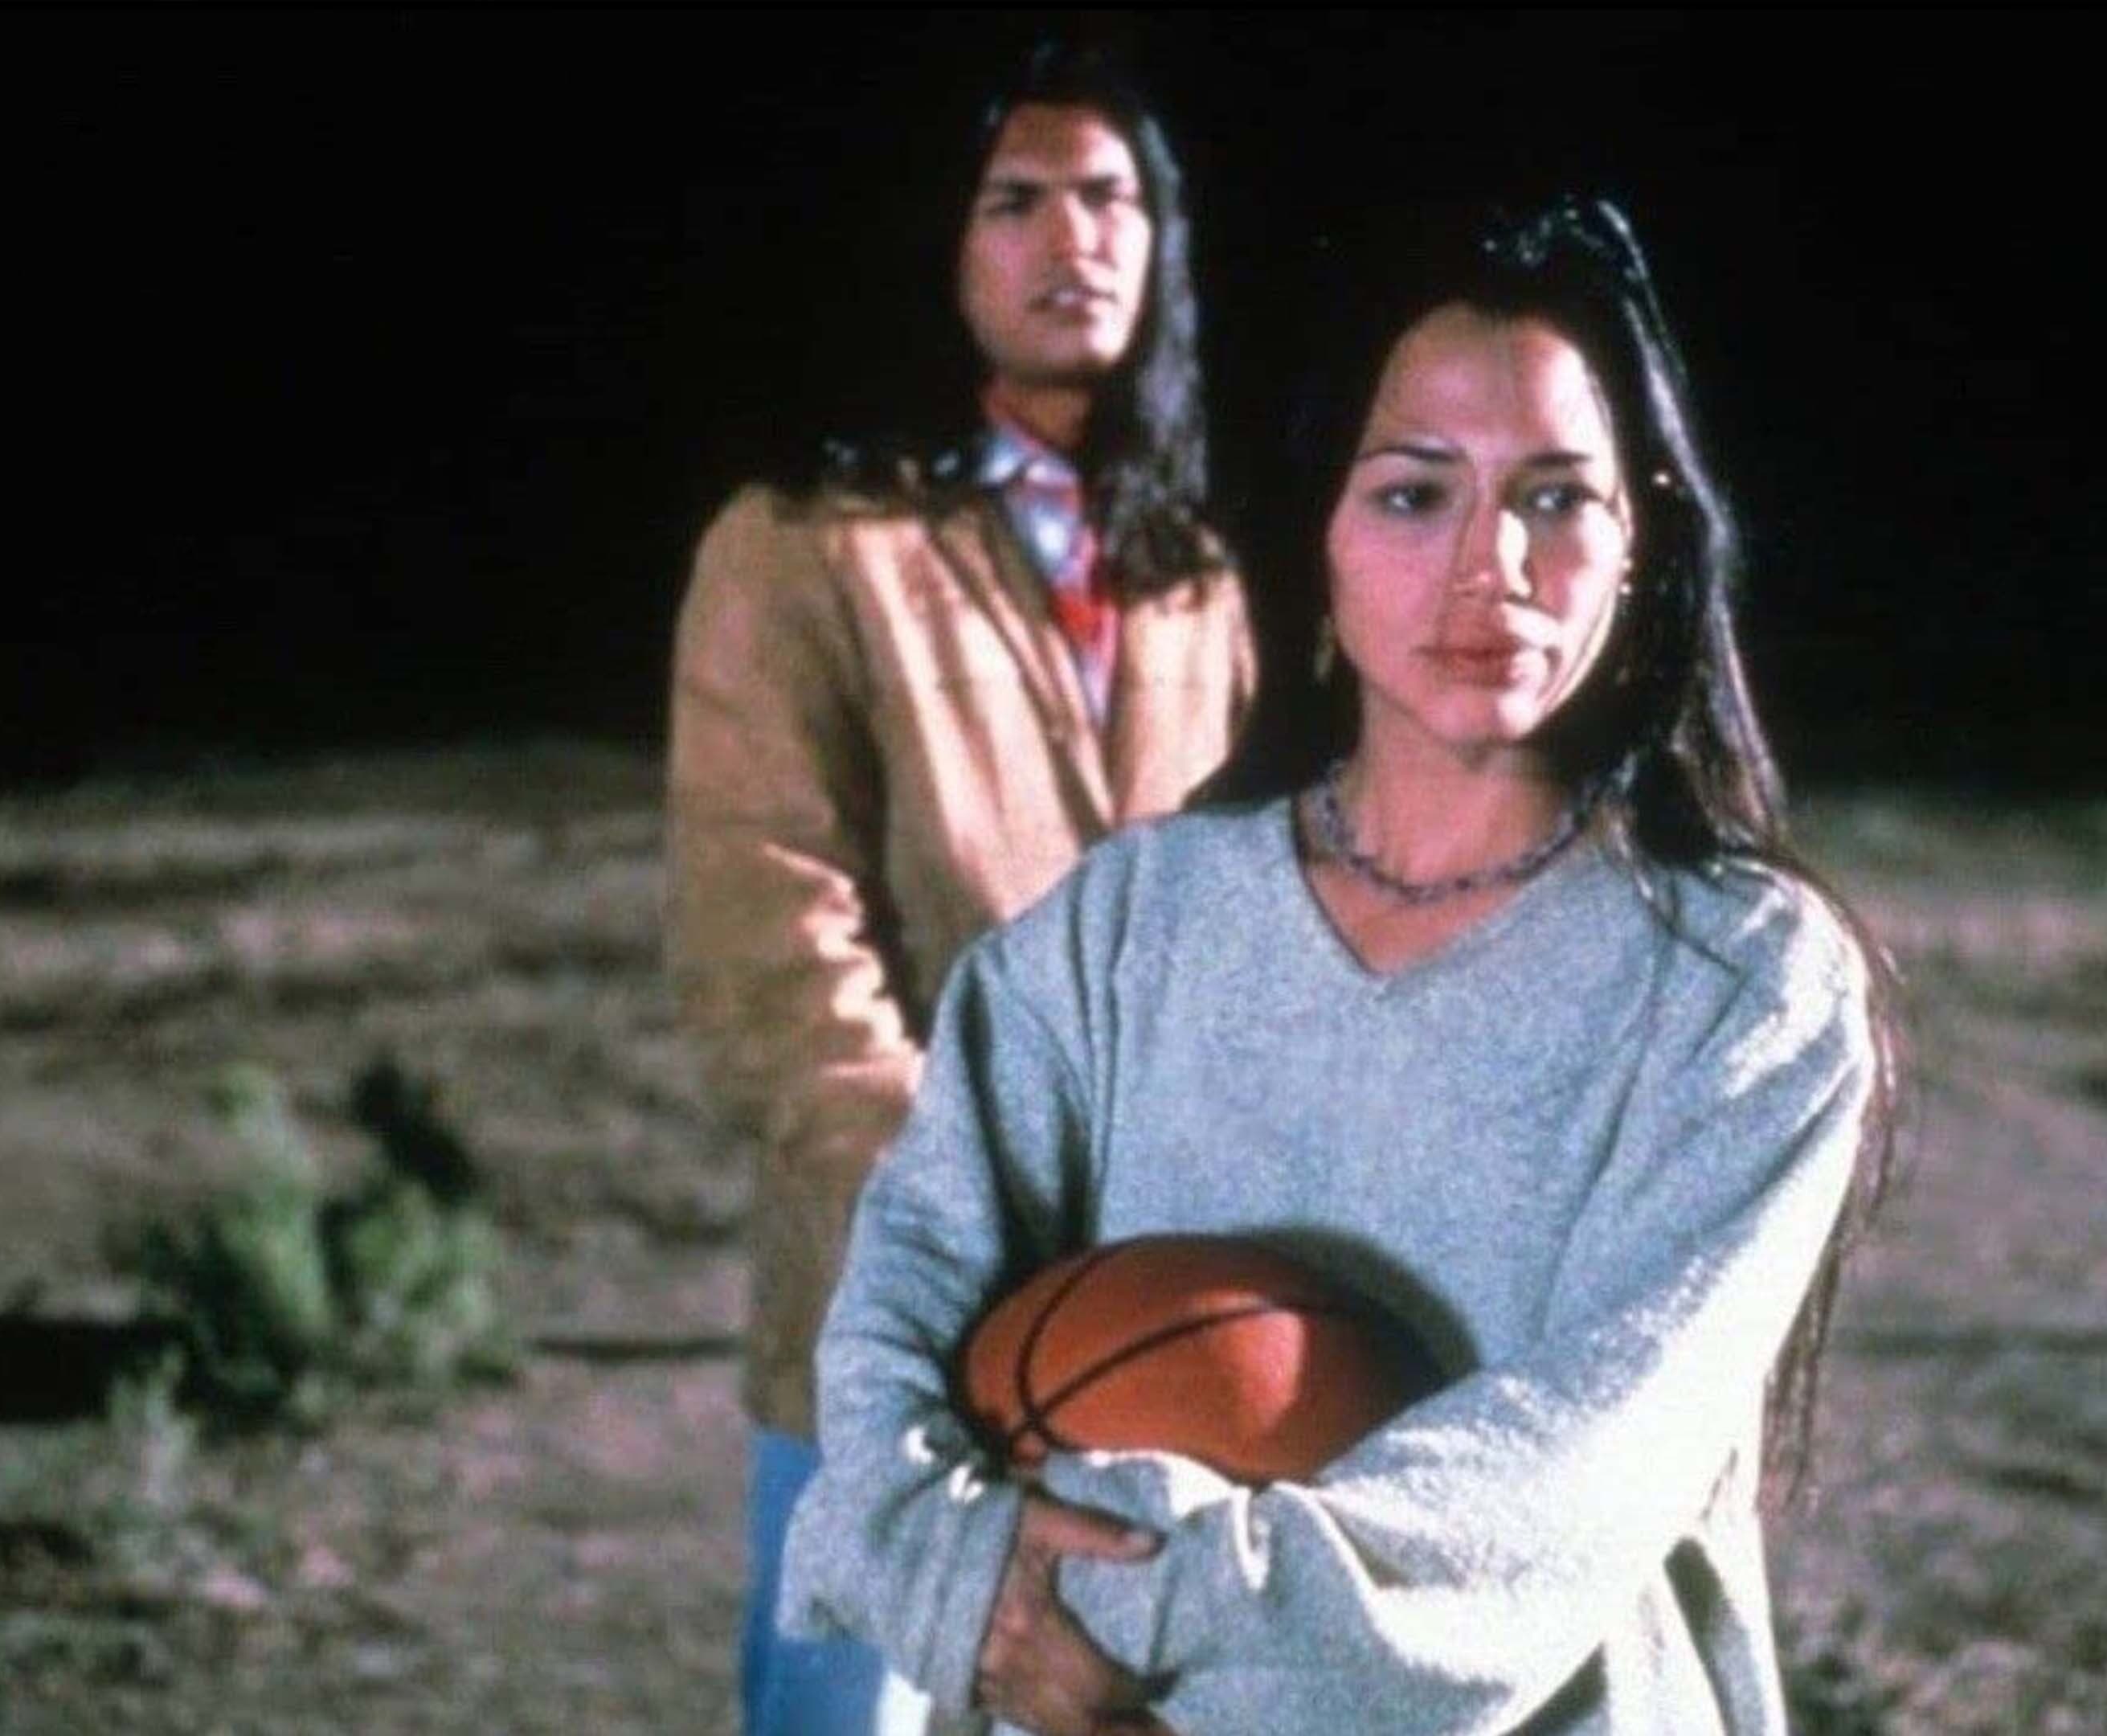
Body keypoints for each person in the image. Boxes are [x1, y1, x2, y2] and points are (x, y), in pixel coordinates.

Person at [778, 194, 1903, 1736]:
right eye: (1414, 493)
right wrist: (955, 1573)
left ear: (1642, 541)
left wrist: (1106, 1617)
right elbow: (899, 1303)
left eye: (1557, 497)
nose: (1490, 564)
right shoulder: (1129, 928)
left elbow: (1568, 1477)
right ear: (1317, 532)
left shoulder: (1742, 986)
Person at [664, 39, 1255, 1736]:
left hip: (1149, 1327)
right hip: (888, 1313)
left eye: (1112, 199)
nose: (1076, 239)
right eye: (1018, 202)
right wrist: (953, 1217)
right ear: (937, 242)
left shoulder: (1190, 575)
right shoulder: (806, 546)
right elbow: (770, 937)